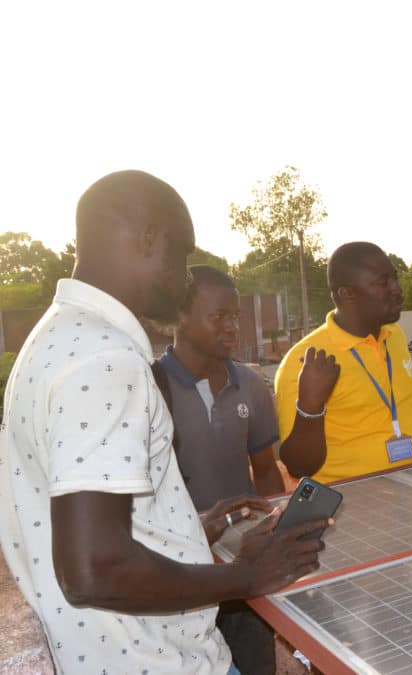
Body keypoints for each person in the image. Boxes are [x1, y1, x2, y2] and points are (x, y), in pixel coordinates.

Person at [0, 171, 327, 675]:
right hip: (163, 663)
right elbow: (93, 570)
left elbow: (89, 525)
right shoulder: (105, 359)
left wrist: (189, 532)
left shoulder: (59, 337)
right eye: (181, 257)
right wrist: (246, 576)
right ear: (149, 237)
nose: (185, 278)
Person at [154, 265, 284, 674]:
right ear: (180, 317)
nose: (232, 328)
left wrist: (273, 530)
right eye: (219, 317)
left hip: (243, 571)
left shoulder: (249, 384)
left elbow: (265, 469)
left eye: (236, 317)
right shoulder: (150, 387)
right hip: (183, 575)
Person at [274, 242, 412, 483]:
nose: (397, 289)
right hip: (352, 506)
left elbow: (398, 398)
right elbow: (298, 466)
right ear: (347, 294)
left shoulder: (394, 335)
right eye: (382, 282)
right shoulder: (305, 360)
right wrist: (311, 406)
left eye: (395, 278)